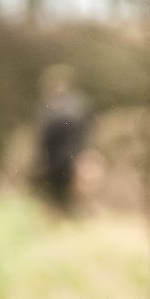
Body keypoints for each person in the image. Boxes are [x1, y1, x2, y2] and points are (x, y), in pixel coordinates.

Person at [32, 64, 92, 216]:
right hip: (66, 157)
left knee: (61, 193)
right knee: (63, 194)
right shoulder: (77, 105)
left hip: (61, 158)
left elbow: (44, 135)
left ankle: (61, 217)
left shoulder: (51, 109)